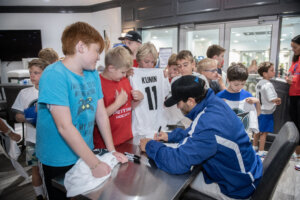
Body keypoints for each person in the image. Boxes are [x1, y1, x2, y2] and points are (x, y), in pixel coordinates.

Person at [35, 22, 127, 200]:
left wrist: (111, 151)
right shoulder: (54, 74)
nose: (99, 58)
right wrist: (94, 165)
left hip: (84, 152)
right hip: (57, 158)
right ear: (81, 47)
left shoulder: (92, 74)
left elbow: (100, 114)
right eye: (97, 51)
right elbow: (65, 127)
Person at [140, 75, 262, 200]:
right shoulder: (214, 104)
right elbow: (196, 131)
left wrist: (150, 146)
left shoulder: (208, 125)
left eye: (179, 103)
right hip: (246, 172)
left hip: (238, 189)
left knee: (168, 182)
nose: (177, 107)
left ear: (191, 101)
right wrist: (170, 136)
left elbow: (177, 163)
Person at [11, 58, 50, 200]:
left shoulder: (53, 91)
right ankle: (39, 195)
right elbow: (16, 115)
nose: (32, 75)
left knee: (49, 170)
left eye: (36, 72)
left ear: (45, 74)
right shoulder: (25, 93)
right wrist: (28, 116)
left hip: (50, 140)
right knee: (35, 169)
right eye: (30, 72)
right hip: (32, 139)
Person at [93, 46, 144, 149]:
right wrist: (117, 104)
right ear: (111, 68)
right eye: (122, 72)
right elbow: (95, 119)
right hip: (105, 145)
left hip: (127, 139)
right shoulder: (97, 84)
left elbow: (128, 107)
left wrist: (139, 99)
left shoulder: (123, 80)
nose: (125, 75)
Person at [130, 42, 171, 137]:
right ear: (139, 60)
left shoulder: (160, 74)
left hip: (157, 123)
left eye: (152, 62)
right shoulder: (132, 74)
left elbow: (165, 95)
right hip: (140, 124)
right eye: (146, 61)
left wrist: (164, 78)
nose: (150, 65)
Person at [254, 62, 281, 158]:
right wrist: (278, 99)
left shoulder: (259, 83)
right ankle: (261, 151)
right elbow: (272, 98)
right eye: (272, 70)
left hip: (258, 110)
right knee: (264, 132)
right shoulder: (268, 84)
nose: (274, 72)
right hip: (266, 112)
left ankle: (254, 146)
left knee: (257, 130)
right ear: (265, 73)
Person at [285, 35, 300, 170]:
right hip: (293, 95)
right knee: (295, 125)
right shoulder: (295, 60)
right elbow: (290, 74)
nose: (293, 50)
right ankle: (297, 154)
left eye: (295, 47)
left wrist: (294, 80)